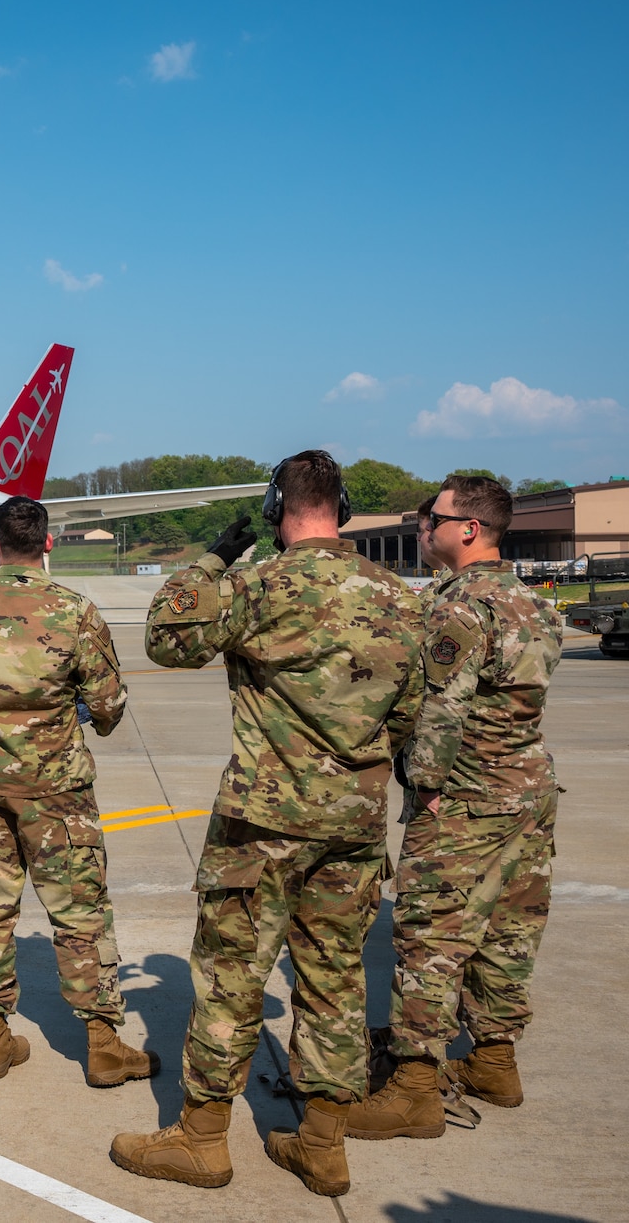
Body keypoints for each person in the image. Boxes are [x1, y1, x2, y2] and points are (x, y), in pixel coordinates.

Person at [109, 450, 425, 1197]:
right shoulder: (400, 598)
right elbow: (409, 708)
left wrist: (216, 555)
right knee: (334, 978)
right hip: (353, 822)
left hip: (263, 822)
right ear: (341, 509)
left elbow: (166, 634)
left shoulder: (256, 584)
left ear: (276, 507)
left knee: (229, 976)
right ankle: (322, 1144)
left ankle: (202, 1140)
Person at [0, 494, 158, 1087]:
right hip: (58, 792)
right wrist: (74, 730)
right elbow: (106, 705)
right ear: (48, 543)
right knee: (80, 912)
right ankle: (102, 1045)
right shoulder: (75, 611)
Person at [347, 474, 562, 1142]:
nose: (420, 525)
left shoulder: (458, 606)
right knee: (507, 930)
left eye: (429, 515)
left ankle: (414, 1087)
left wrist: (423, 786)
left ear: (467, 527)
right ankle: (496, 1061)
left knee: (430, 935)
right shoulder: (532, 602)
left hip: (466, 797)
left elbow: (441, 709)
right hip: (527, 791)